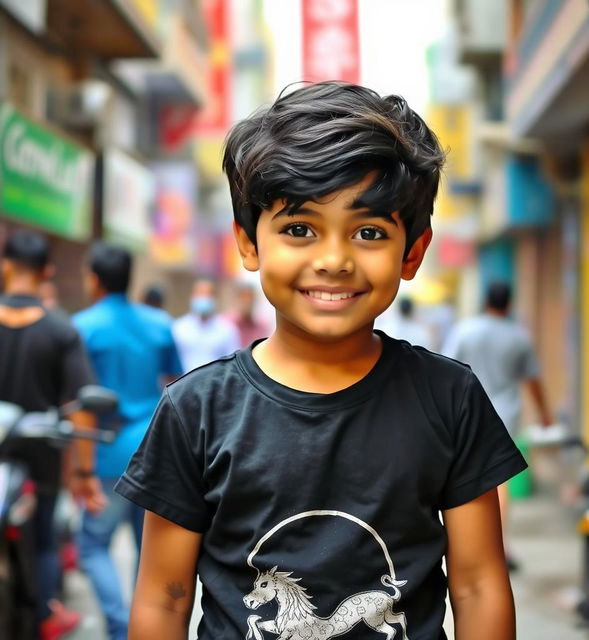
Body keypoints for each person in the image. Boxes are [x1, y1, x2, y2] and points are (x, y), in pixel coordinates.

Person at [116, 82, 526, 640]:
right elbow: (164, 599)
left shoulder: (450, 397)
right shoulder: (195, 411)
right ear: (248, 243)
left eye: (368, 232)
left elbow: (478, 584)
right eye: (299, 229)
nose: (333, 260)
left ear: (413, 252)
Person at [73, 243, 183, 640]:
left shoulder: (83, 327)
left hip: (106, 451)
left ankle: (120, 628)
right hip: (155, 449)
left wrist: (78, 467)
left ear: (95, 279)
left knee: (92, 545)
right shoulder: (158, 324)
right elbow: (177, 381)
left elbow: (80, 403)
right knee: (148, 550)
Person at [0, 229, 102, 640]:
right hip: (40, 457)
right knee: (43, 539)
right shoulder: (60, 330)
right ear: (47, 272)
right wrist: (83, 473)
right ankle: (44, 616)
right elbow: (82, 409)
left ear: (4, 266)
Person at [443, 280, 553, 568]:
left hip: (464, 413)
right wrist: (545, 414)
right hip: (505, 415)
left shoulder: (465, 331)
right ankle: (497, 544)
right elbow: (533, 381)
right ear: (509, 304)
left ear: (485, 301)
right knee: (498, 481)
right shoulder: (519, 337)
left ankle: (471, 543)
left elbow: (444, 368)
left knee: (464, 474)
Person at [172, 278, 240, 371]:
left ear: (215, 298)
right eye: (200, 294)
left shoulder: (227, 330)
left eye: (208, 294)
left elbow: (233, 365)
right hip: (183, 382)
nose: (204, 298)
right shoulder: (178, 328)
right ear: (192, 296)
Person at [226, 282, 271, 347]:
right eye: (243, 297)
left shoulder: (261, 325)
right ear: (237, 299)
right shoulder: (226, 323)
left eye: (250, 297)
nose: (247, 301)